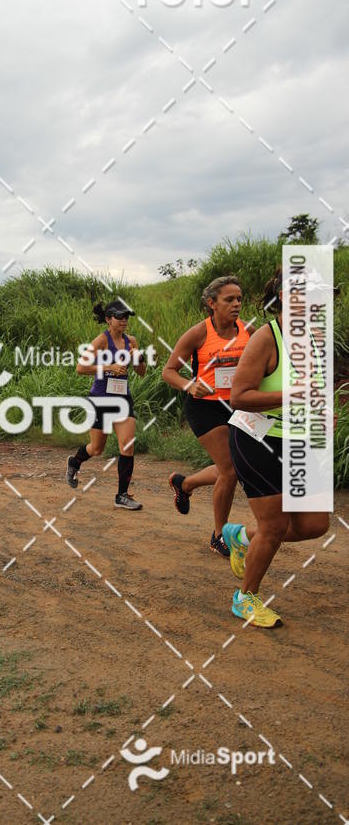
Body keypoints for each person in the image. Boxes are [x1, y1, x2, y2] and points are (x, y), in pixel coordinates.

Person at [223, 268, 330, 627]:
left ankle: (241, 536)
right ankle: (245, 598)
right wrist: (292, 396)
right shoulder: (266, 338)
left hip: (297, 437)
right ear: (285, 297)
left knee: (315, 523)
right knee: (274, 525)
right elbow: (239, 396)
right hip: (257, 437)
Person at [162, 276, 254, 557]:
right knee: (229, 470)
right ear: (212, 303)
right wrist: (189, 385)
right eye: (229, 299)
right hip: (205, 407)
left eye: (239, 299)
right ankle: (219, 535)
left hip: (238, 405)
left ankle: (185, 484)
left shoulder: (249, 330)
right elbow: (169, 371)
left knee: (236, 466)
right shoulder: (198, 333)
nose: (236, 304)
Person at [66, 299, 147, 510]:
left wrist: (138, 358)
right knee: (96, 449)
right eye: (119, 317)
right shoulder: (101, 341)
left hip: (122, 399)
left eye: (126, 317)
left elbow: (141, 372)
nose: (124, 320)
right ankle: (75, 462)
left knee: (127, 445)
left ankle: (122, 496)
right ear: (108, 319)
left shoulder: (131, 341)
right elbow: (80, 367)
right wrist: (109, 367)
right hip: (100, 399)